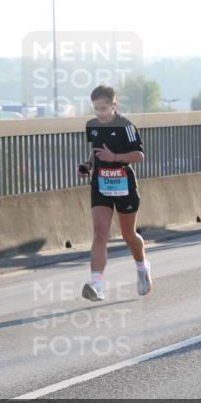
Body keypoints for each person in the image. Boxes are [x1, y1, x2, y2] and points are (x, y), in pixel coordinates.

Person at [78, 84, 152, 301]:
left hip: (124, 185)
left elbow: (139, 155)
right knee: (99, 234)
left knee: (128, 235)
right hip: (100, 185)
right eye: (96, 109)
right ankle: (97, 286)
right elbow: (95, 150)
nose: (99, 113)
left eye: (103, 108)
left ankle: (141, 267)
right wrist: (88, 165)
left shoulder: (126, 126)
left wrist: (115, 158)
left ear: (113, 104)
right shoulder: (91, 125)